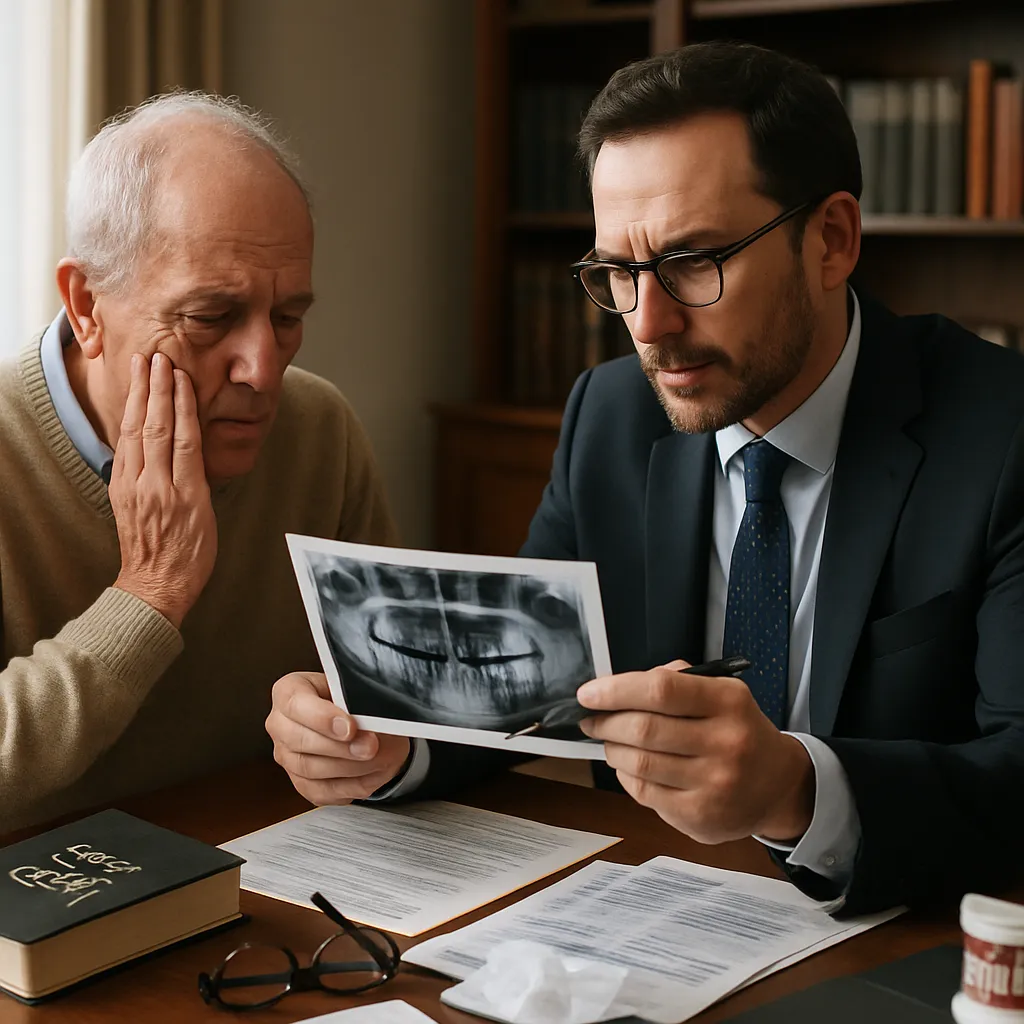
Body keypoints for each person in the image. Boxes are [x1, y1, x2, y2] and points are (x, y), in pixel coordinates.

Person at [266, 42, 1024, 916]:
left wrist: (797, 791)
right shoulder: (611, 415)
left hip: (913, 933)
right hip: (647, 919)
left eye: (693, 261)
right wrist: (386, 742)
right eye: (617, 272)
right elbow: (534, 686)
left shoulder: (1003, 437)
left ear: (832, 240)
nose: (647, 324)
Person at [0, 92, 408, 832]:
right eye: (210, 318)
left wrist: (362, 740)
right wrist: (151, 591)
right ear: (86, 306)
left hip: (276, 871)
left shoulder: (320, 430)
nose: (263, 369)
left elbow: (392, 696)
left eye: (288, 318)